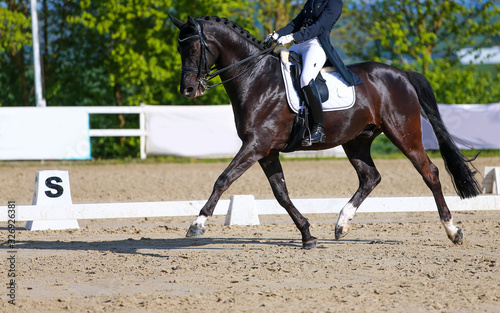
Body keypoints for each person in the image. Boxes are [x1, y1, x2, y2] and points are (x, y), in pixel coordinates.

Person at [265, 0, 363, 146]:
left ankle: (318, 128)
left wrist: (292, 37)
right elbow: (296, 23)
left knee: (305, 78)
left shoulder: (334, 3)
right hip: (299, 44)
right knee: (279, 69)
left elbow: (319, 27)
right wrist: (276, 34)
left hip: (317, 44)